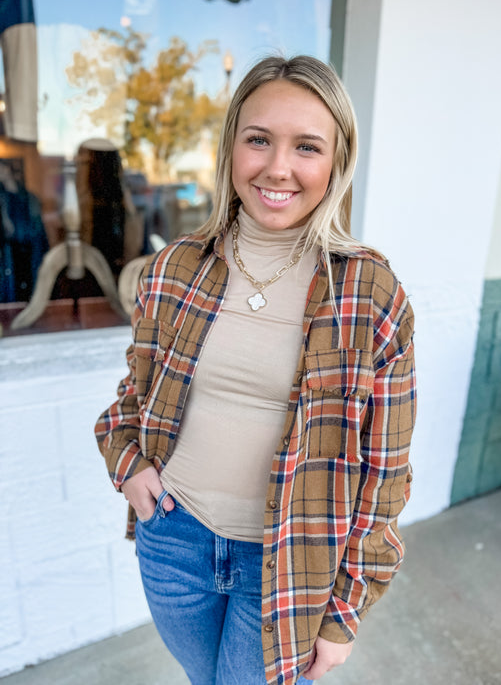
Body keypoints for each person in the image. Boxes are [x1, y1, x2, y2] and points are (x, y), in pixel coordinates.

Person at [95, 54, 416, 685]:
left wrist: (344, 612)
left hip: (289, 561)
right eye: (259, 139)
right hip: (174, 541)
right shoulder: (173, 269)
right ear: (231, 148)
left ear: (337, 163)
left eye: (307, 147)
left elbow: (386, 473)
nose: (278, 168)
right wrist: (126, 464)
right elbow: (134, 395)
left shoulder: (369, 292)